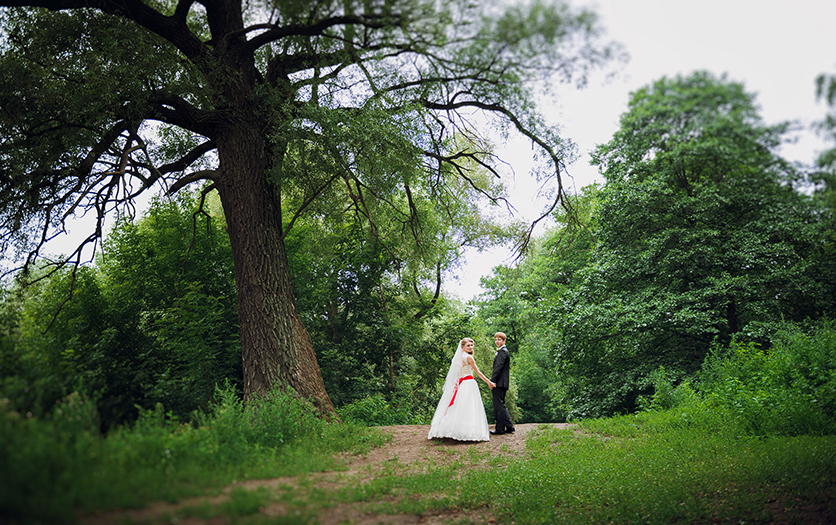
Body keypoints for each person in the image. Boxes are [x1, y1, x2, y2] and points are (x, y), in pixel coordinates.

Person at [428, 338, 495, 441]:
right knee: (469, 407)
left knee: (460, 407)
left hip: (462, 384)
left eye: (472, 345)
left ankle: (453, 430)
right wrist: (489, 382)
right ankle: (468, 432)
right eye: (468, 345)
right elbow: (478, 372)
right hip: (469, 383)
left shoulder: (458, 358)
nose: (471, 347)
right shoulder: (469, 358)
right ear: (462, 346)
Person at [489, 332, 515, 435]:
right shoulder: (503, 351)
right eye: (496, 339)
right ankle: (509, 427)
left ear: (504, 341)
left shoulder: (503, 352)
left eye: (499, 340)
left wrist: (492, 381)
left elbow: (498, 368)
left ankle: (500, 429)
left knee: (498, 406)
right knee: (502, 405)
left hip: (499, 383)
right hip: (502, 383)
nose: (497, 341)